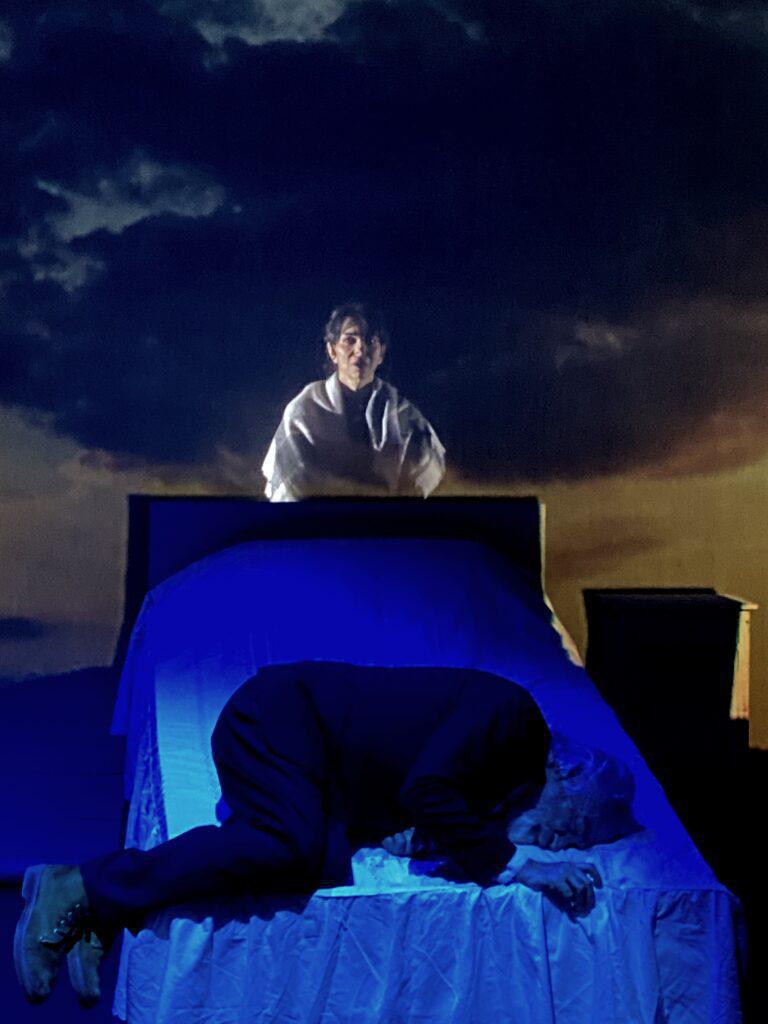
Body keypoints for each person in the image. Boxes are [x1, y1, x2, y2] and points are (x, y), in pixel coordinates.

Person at [15, 662, 608, 1008]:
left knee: (320, 864)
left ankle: (105, 908)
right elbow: (426, 789)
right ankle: (76, 883)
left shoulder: (500, 784)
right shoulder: (514, 719)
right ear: (566, 775)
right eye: (571, 826)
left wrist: (414, 835)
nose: (559, 842)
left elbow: (421, 792)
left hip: (320, 775)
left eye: (568, 842)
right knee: (292, 844)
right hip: (275, 718)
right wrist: (523, 866)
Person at [262, 303, 446, 499]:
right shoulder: (304, 410)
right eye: (350, 340)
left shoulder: (404, 416)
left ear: (381, 353)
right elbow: (293, 484)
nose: (360, 349)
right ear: (332, 351)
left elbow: (422, 480)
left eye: (370, 340)